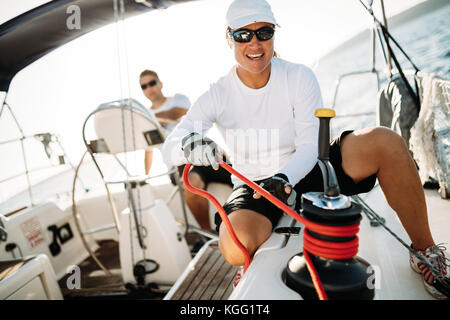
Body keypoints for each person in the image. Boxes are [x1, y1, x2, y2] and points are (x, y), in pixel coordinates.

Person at [161, 0, 449, 299]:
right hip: (255, 186)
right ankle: (248, 263)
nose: (255, 43)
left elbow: (311, 145)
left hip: (310, 167)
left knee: (385, 141)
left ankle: (425, 251)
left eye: (264, 32)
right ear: (228, 38)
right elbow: (168, 149)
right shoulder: (217, 92)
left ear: (274, 34)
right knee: (235, 247)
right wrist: (189, 143)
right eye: (243, 35)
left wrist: (285, 179)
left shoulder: (298, 75)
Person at [140, 69, 232, 232]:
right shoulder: (145, 117)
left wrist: (152, 120)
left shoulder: (177, 100)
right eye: (144, 86)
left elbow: (179, 112)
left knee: (239, 177)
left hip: (202, 152)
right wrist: (145, 176)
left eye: (152, 83)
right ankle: (208, 234)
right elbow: (148, 151)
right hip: (178, 163)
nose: (149, 88)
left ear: (160, 84)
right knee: (192, 183)